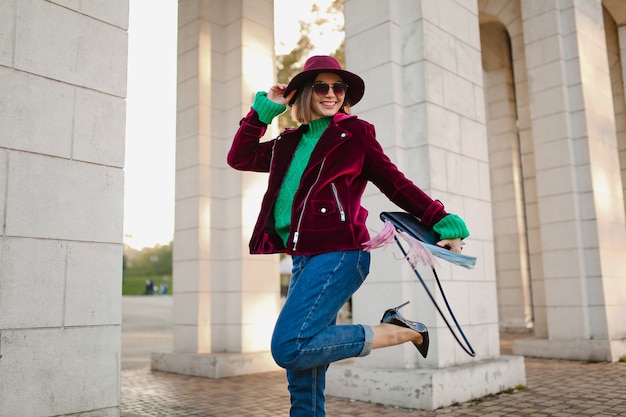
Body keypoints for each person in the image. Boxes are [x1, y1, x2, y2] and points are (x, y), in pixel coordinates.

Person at [227, 55, 469, 417]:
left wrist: (442, 218)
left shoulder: (354, 133)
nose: (331, 93)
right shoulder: (287, 143)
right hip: (302, 257)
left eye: (338, 87)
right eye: (321, 86)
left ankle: (399, 330)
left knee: (289, 346)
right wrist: (264, 111)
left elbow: (395, 183)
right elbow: (240, 157)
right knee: (302, 372)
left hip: (341, 252)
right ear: (304, 92)